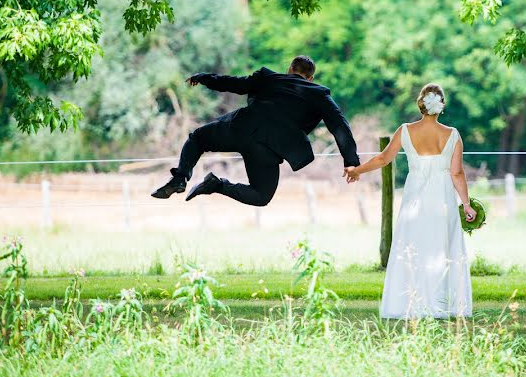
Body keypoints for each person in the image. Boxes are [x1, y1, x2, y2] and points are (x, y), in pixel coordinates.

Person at [152, 56, 360, 206]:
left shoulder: (268, 77)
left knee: (197, 139)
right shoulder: (319, 94)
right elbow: (339, 125)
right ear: (311, 78)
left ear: (289, 69)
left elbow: (235, 84)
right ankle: (216, 185)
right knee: (261, 196)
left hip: (242, 127)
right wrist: (351, 161)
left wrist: (205, 78)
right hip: (270, 147)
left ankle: (180, 178)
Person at [344, 83, 474, 319]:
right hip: (442, 199)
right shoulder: (452, 135)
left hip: (415, 200)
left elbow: (384, 158)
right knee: (442, 246)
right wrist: (466, 204)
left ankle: (409, 302)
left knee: (413, 246)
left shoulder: (405, 130)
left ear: (420, 104)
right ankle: (443, 303)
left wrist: (358, 171)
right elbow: (457, 173)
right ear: (441, 105)